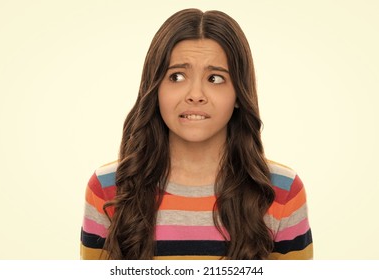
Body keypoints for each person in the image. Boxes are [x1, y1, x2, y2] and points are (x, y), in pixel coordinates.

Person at [80, 8, 313, 260]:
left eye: (215, 78)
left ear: (238, 94)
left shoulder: (281, 190)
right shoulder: (109, 188)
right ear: (155, 88)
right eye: (177, 76)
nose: (195, 94)